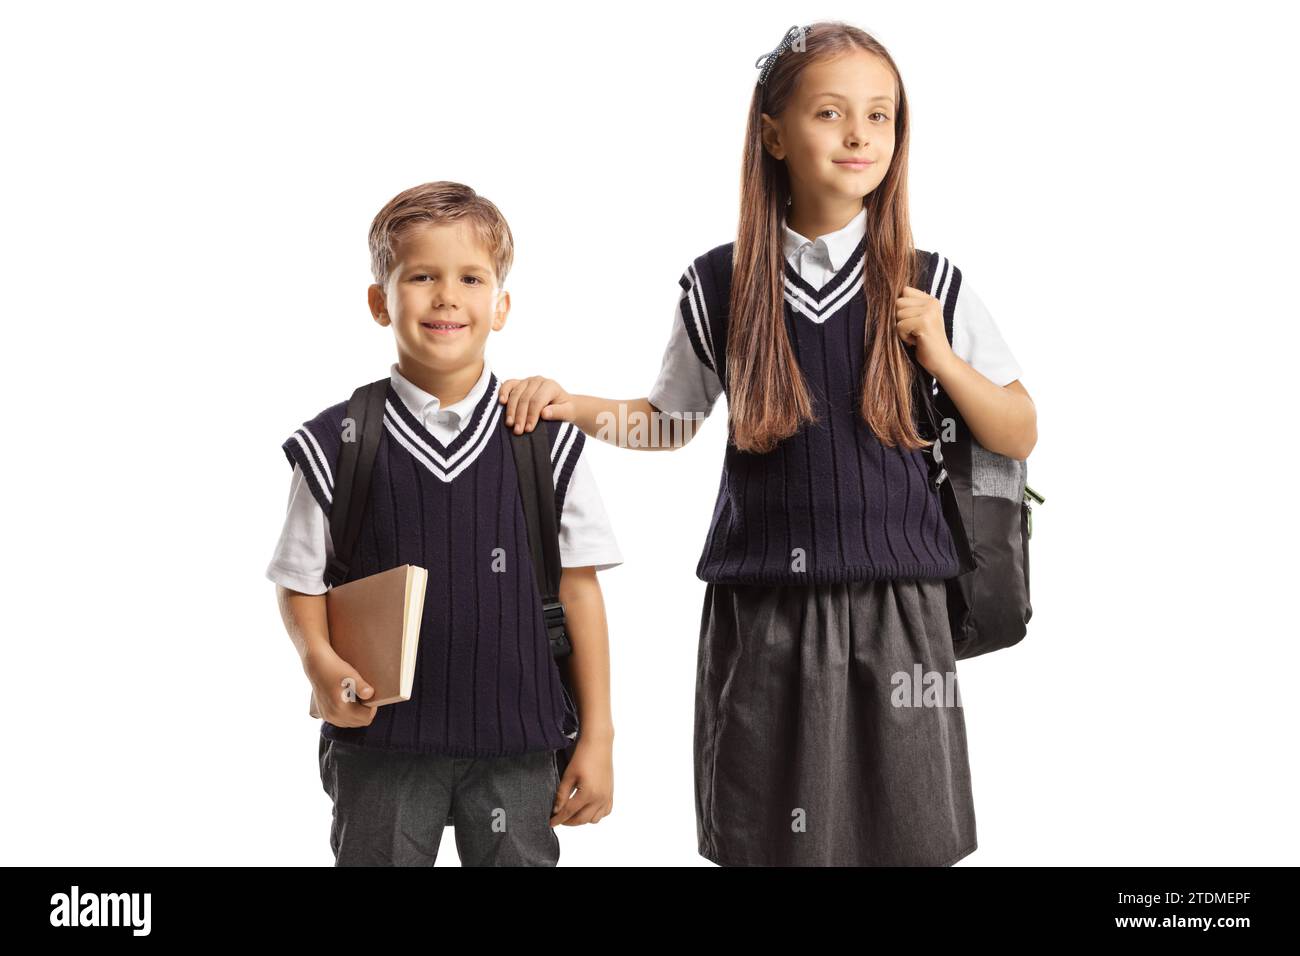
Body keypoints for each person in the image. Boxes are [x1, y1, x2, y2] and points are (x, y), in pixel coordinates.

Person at [496, 22, 1037, 866]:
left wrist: (936, 354)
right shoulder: (720, 283)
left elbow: (1017, 427)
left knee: (910, 832)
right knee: (767, 836)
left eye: (881, 116)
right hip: (764, 612)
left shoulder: (931, 283)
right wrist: (572, 406)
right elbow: (670, 421)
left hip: (900, 610)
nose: (860, 135)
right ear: (773, 133)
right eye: (830, 113)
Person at [267, 181, 623, 865]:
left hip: (518, 740)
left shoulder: (546, 440)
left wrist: (599, 735)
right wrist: (319, 662)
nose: (447, 297)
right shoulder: (337, 440)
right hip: (382, 745)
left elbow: (578, 591)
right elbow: (299, 578)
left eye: (471, 277)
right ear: (380, 301)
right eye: (421, 276)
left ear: (501, 305)